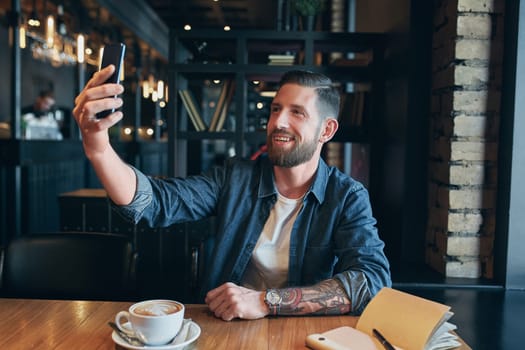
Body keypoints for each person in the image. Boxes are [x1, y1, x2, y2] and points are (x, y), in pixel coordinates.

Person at [73, 65, 391, 321]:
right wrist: (98, 148)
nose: (278, 121)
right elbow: (154, 202)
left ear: (327, 130)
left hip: (302, 336)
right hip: (224, 330)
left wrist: (267, 302)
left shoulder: (347, 196)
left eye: (297, 113)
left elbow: (373, 283)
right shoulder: (235, 177)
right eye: (276, 109)